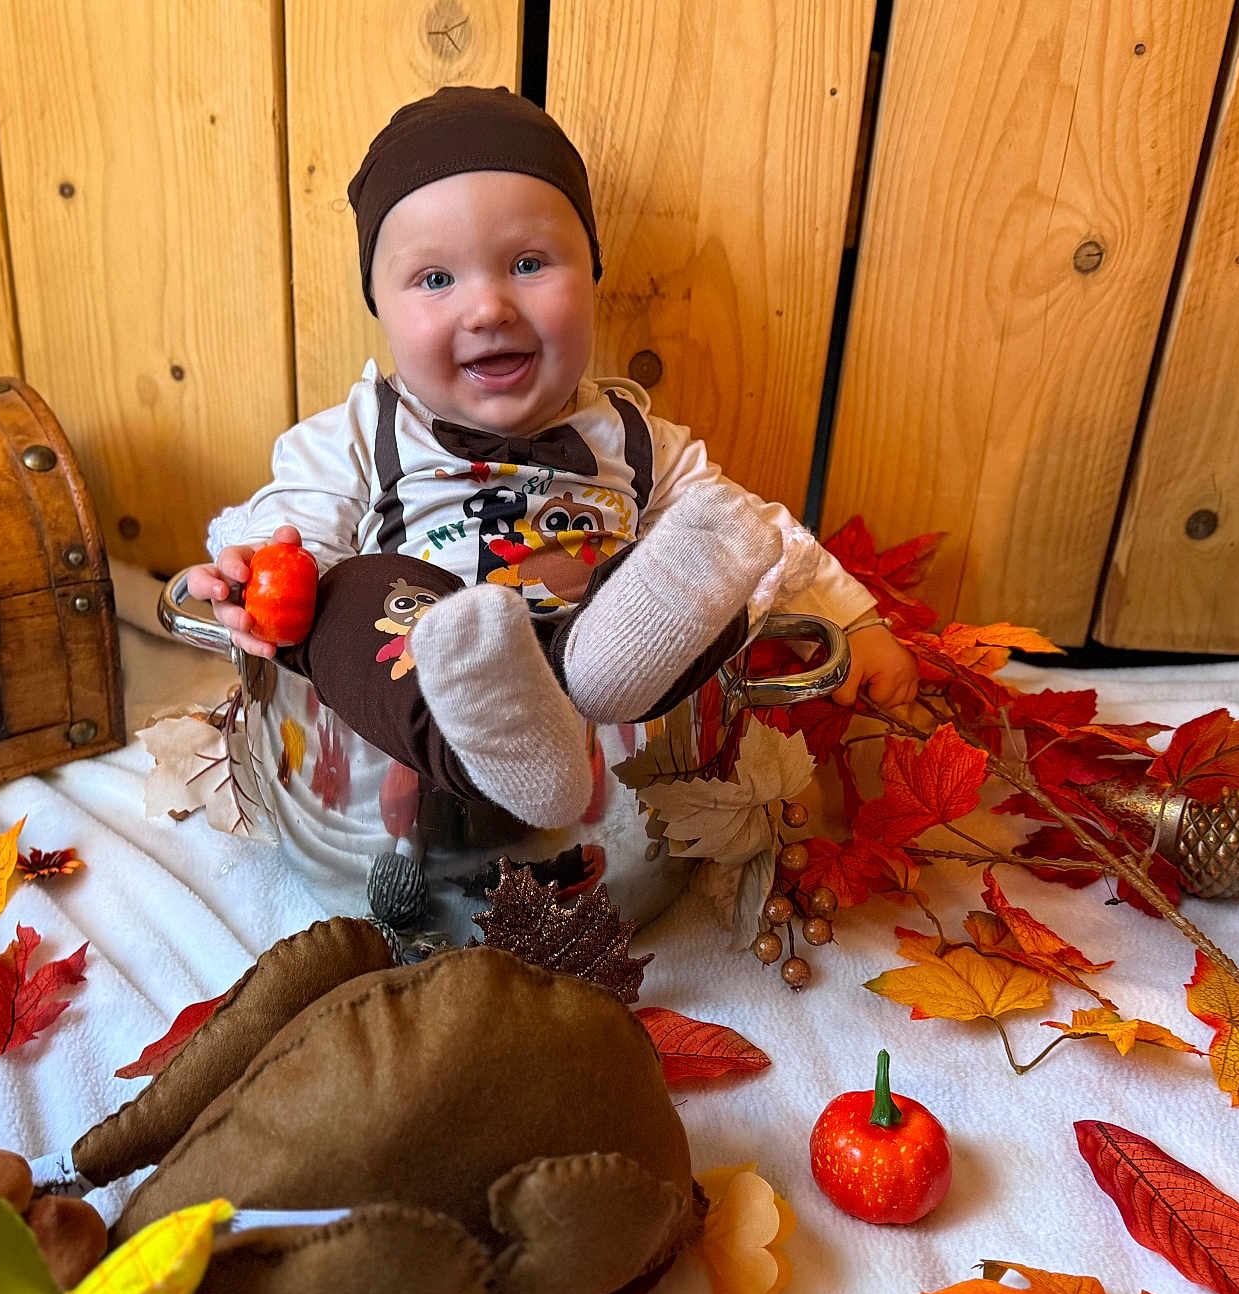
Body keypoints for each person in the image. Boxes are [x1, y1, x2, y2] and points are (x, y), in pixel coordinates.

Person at [185, 87, 917, 829]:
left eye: (529, 263)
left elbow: (761, 538)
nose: (488, 308)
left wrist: (852, 621)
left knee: (714, 545)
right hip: (428, 678)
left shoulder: (638, 440)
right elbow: (294, 520)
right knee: (346, 593)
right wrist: (262, 574)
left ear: (593, 274)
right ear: (379, 305)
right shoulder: (356, 432)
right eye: (436, 280)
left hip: (610, 659)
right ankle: (479, 745)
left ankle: (606, 667)